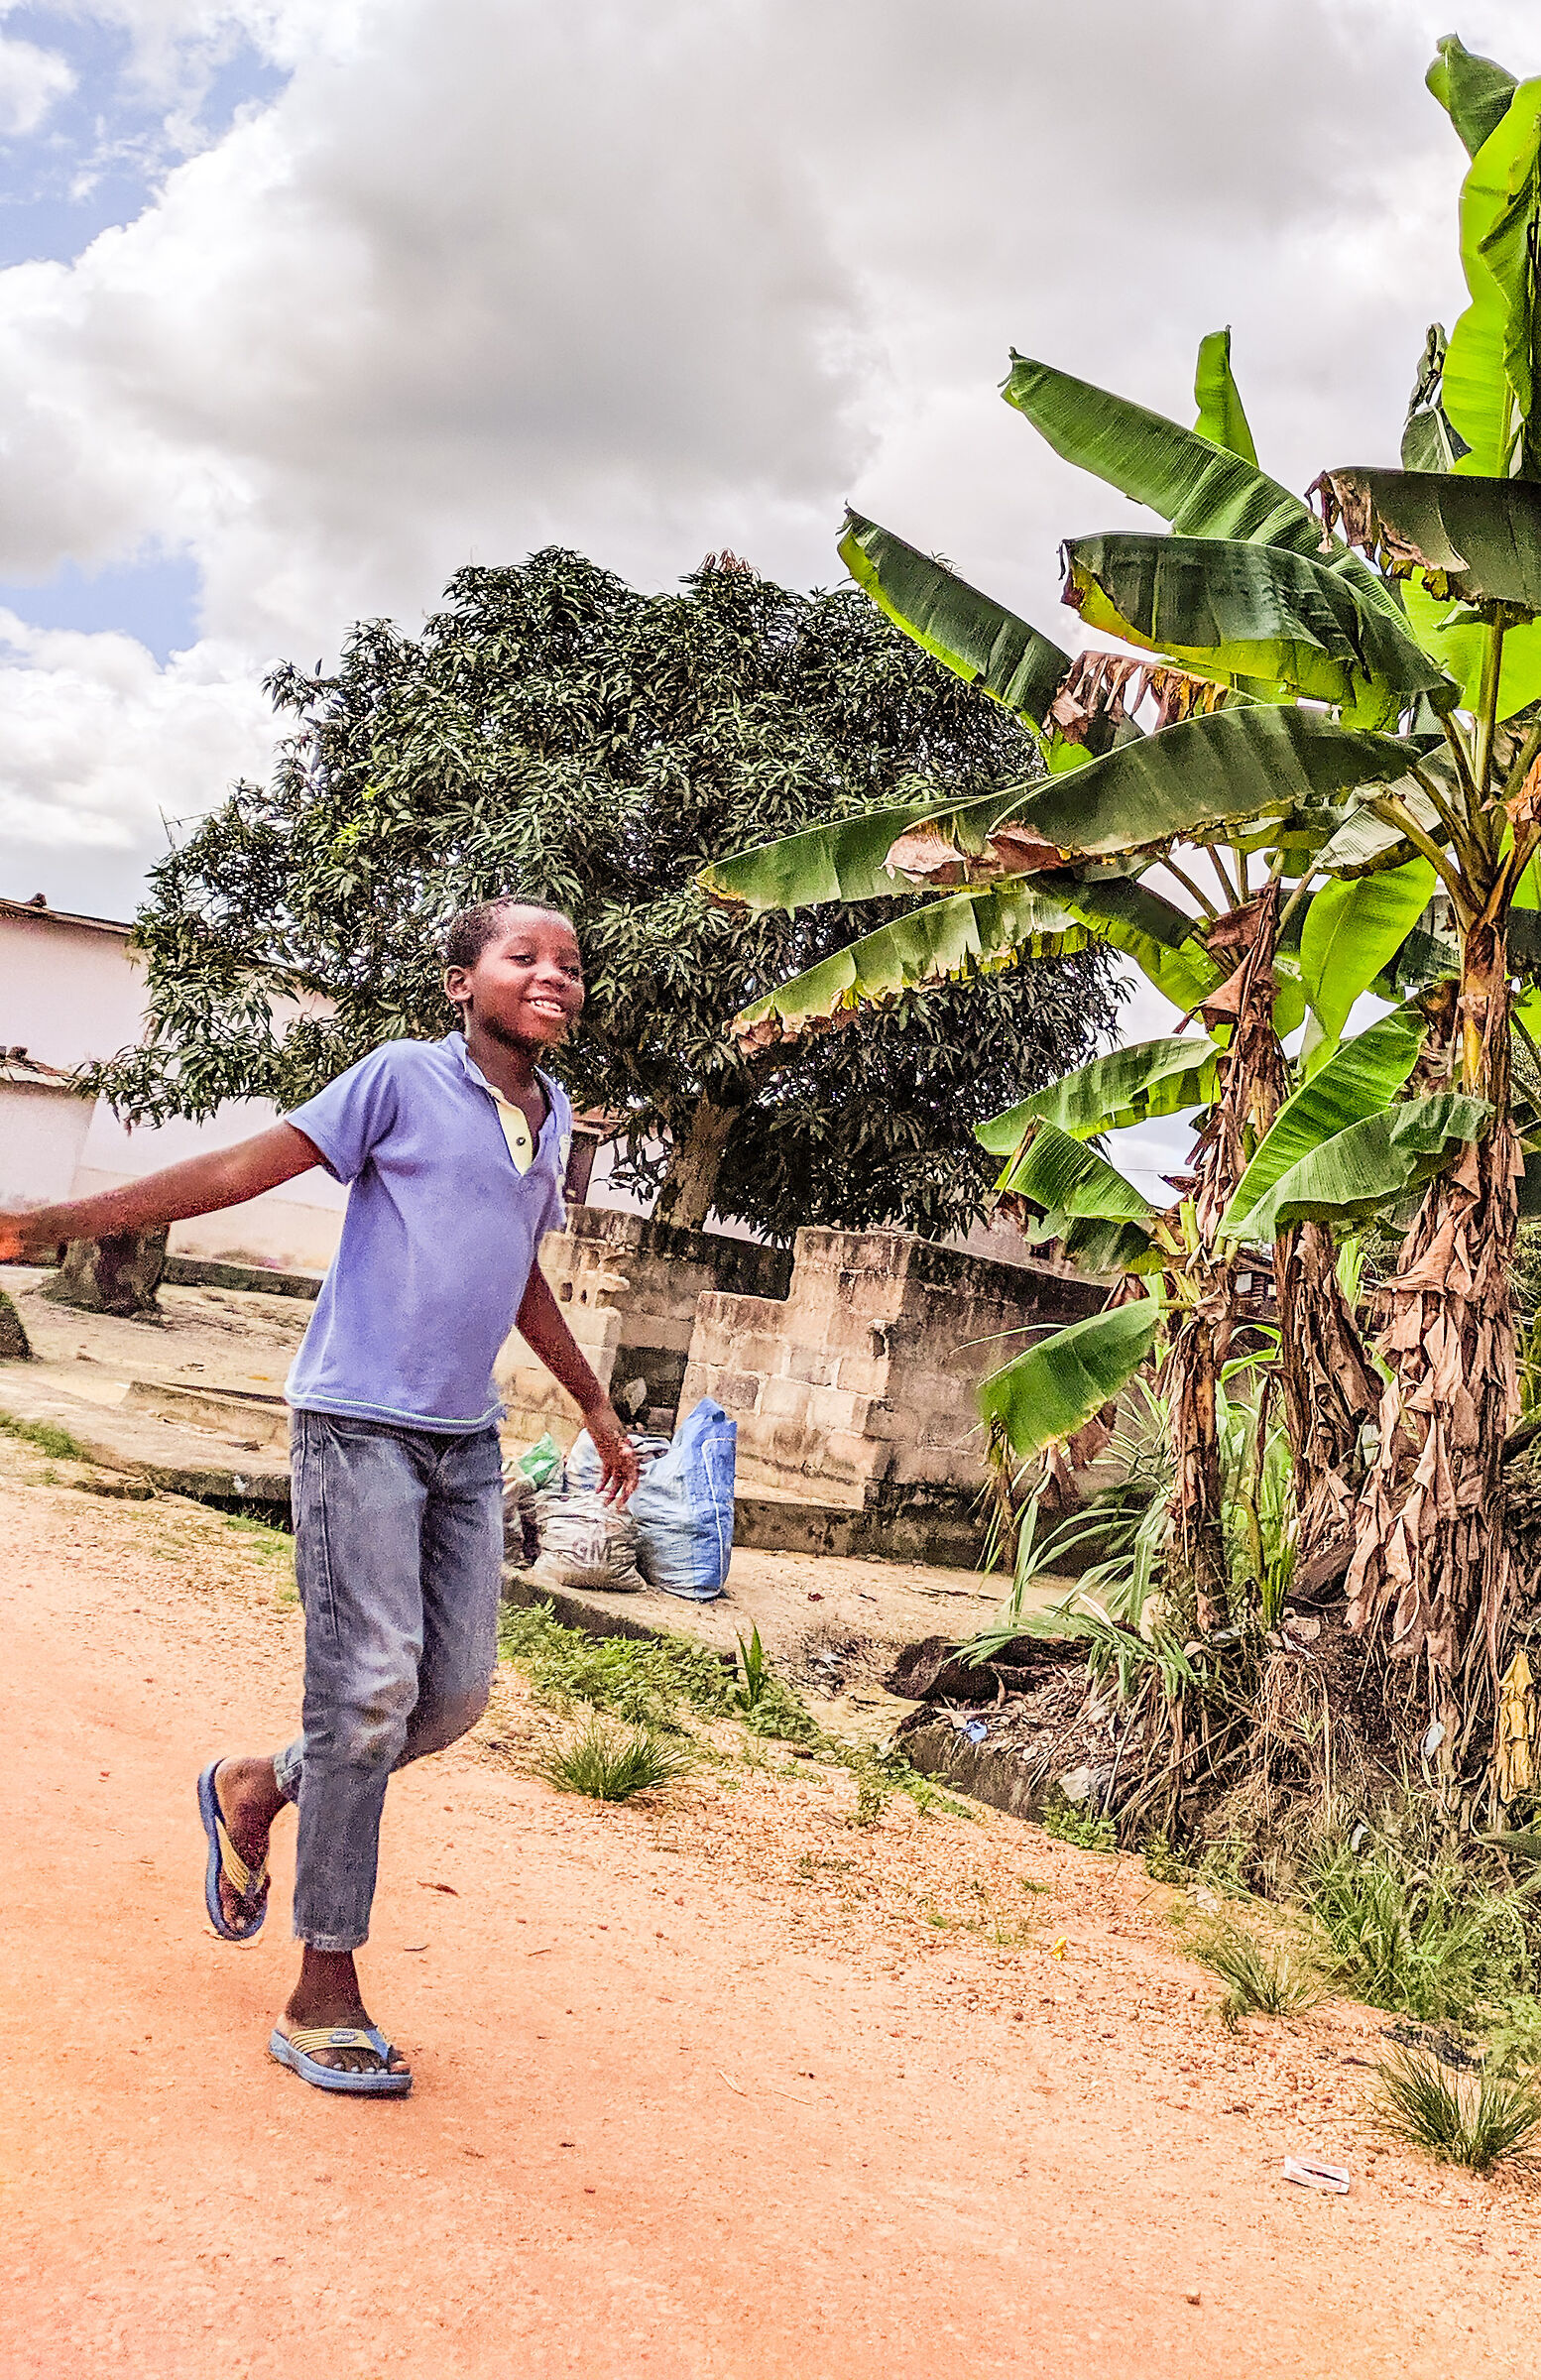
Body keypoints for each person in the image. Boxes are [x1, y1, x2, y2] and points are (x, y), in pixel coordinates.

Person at [0, 898, 638, 2096]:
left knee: (445, 1702)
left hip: (465, 1444)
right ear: (462, 983)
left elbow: (519, 1273)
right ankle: (322, 1985)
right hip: (356, 1425)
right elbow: (249, 1167)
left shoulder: (546, 1123)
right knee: (368, 1692)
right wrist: (60, 1223)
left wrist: (593, 1402)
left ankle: (254, 1785)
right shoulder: (400, 1077)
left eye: (570, 961)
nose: (554, 974)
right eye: (524, 956)